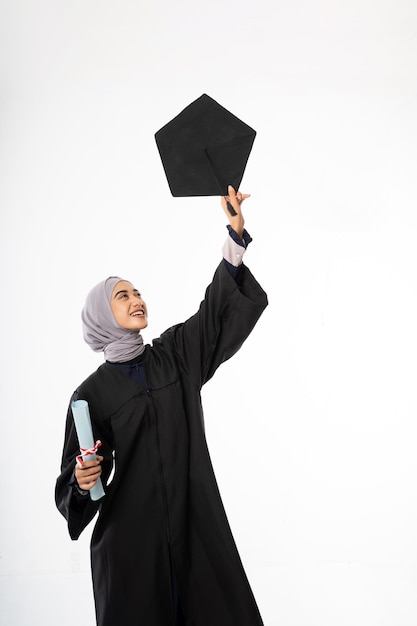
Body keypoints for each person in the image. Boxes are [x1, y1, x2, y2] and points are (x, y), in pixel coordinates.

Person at [55, 186, 268, 626]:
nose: (137, 299)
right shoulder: (90, 396)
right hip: (132, 544)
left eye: (137, 292)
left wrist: (234, 233)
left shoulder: (175, 354)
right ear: (101, 315)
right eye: (122, 296)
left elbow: (214, 314)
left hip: (194, 527)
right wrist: (81, 479)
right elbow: (76, 490)